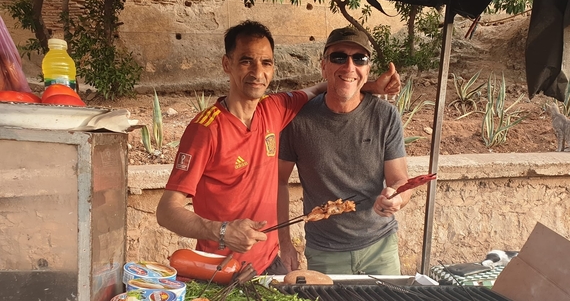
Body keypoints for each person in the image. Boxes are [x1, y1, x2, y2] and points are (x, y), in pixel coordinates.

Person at [156, 21, 400, 275]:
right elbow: (166, 211)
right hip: (221, 269)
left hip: (271, 264)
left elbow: (324, 88)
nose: (257, 72)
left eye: (266, 63)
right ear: (227, 64)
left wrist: (371, 86)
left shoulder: (275, 108)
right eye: (246, 61)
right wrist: (222, 231)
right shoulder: (205, 129)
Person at [278, 26, 413, 276]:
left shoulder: (385, 116)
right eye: (339, 57)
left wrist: (397, 198)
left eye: (359, 59)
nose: (350, 66)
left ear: (367, 69)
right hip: (325, 252)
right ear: (324, 65)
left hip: (380, 248)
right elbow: (278, 182)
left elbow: (399, 180)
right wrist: (284, 244)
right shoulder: (298, 120)